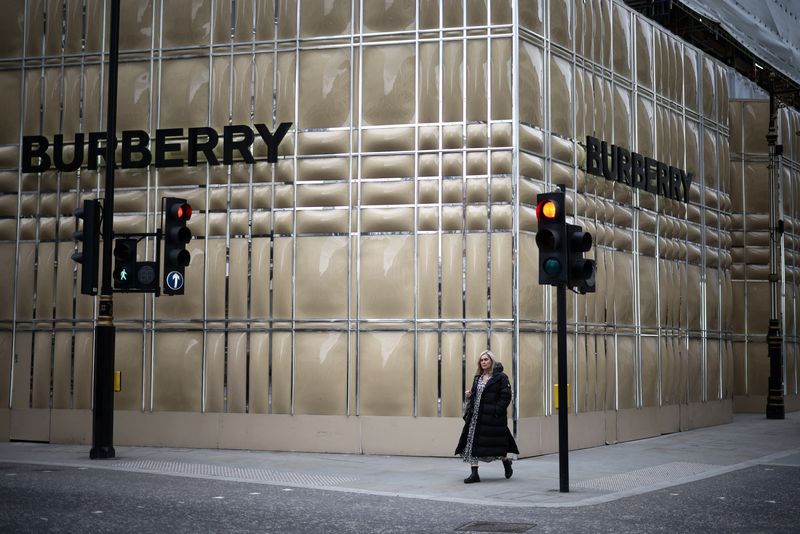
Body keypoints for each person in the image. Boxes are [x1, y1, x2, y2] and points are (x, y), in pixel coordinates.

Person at [455, 350, 519, 483]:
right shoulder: (478, 377)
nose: (483, 362)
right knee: (471, 443)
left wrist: (497, 411)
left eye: (486, 360)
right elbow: (476, 395)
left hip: (492, 418)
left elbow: (506, 396)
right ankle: (474, 474)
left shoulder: (501, 377)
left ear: (492, 361)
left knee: (497, 444)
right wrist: (469, 396)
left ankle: (506, 462)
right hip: (475, 417)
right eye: (481, 360)